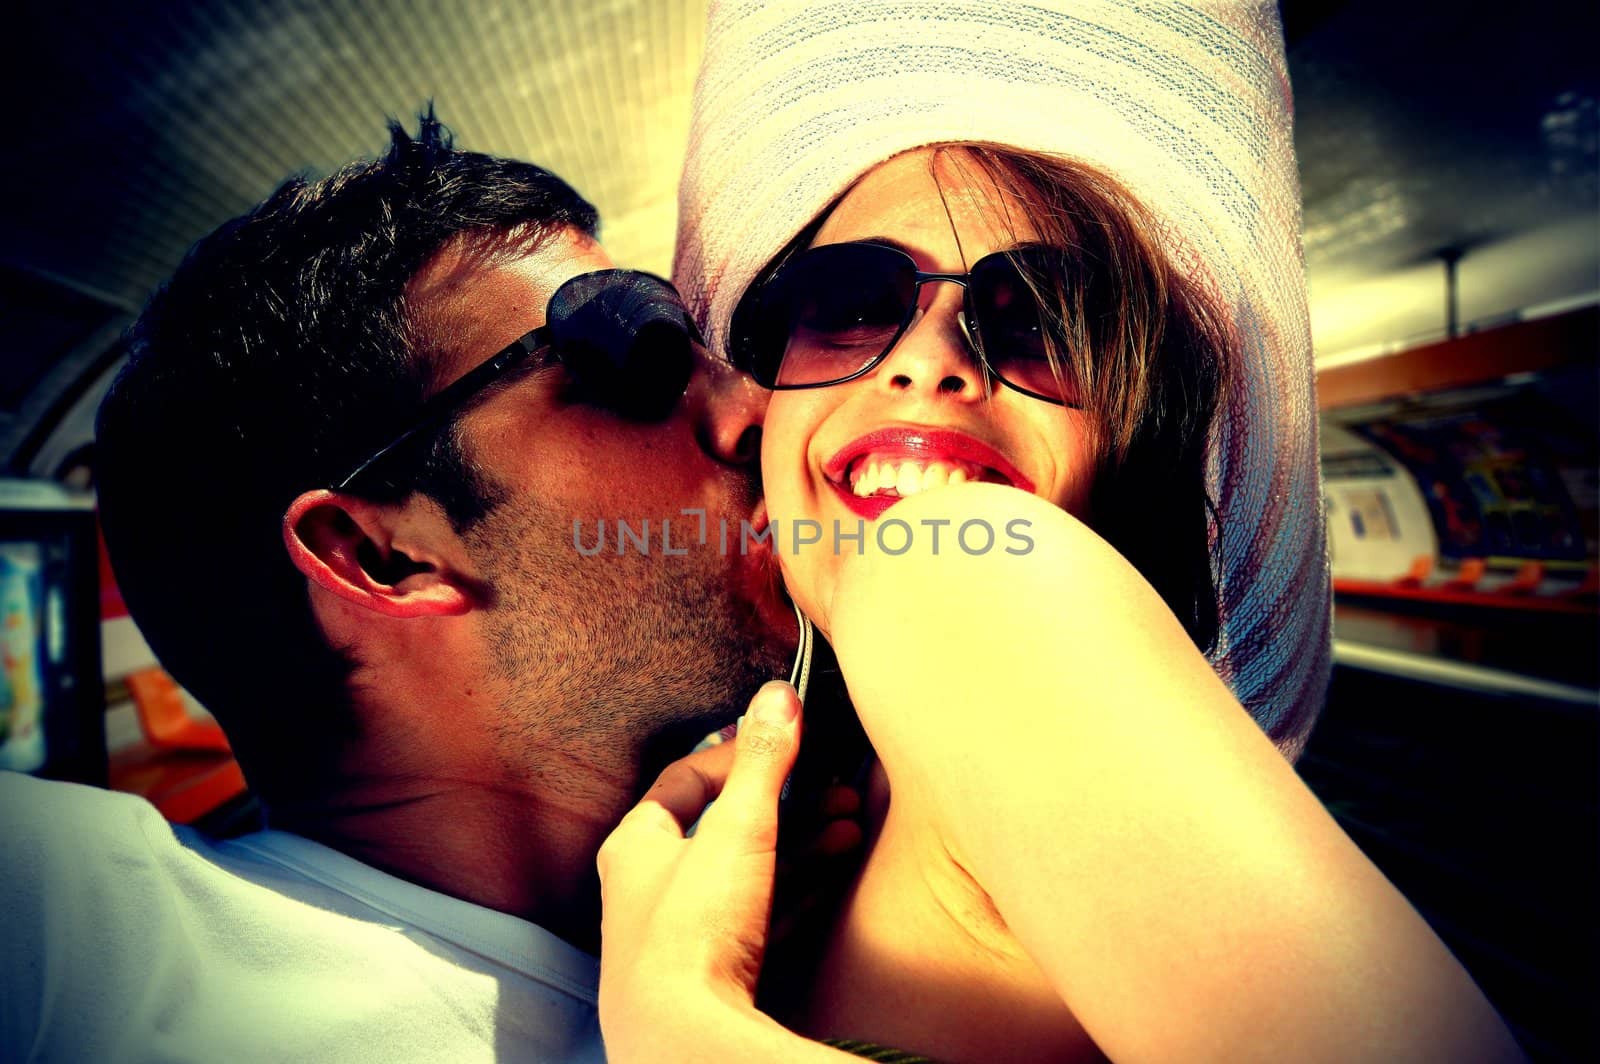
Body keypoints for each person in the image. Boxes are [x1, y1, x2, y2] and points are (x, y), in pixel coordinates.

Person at [594, 2, 1524, 1061]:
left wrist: (680, 1031)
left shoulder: (969, 575)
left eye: (1040, 317)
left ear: (1138, 433)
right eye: (849, 299)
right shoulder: (846, 788)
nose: (928, 360)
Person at [0, 111, 799, 1062]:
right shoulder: (81, 927)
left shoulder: (812, 876)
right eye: (630, 355)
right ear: (381, 557)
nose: (755, 406)